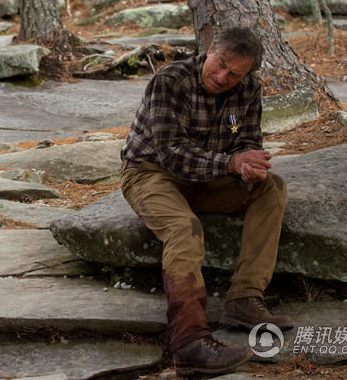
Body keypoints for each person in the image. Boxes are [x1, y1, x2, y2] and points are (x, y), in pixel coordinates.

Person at [119, 27, 292, 376]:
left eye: (235, 74)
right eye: (221, 63)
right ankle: (190, 344)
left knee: (271, 187)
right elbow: (171, 154)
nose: (223, 77)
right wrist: (231, 164)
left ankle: (244, 298)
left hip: (207, 177)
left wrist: (249, 165)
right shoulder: (171, 81)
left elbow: (246, 140)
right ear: (210, 48)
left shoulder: (249, 89)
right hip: (150, 173)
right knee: (184, 228)